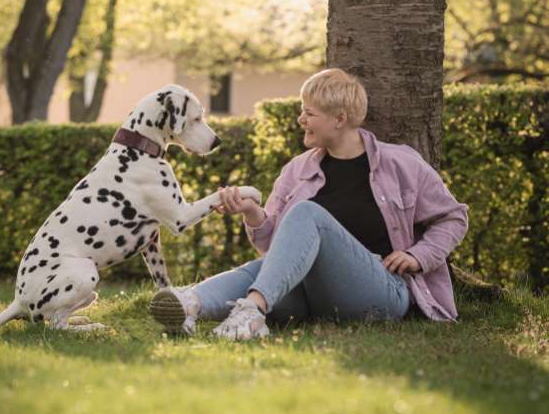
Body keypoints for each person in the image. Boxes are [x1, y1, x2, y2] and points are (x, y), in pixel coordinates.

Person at [150, 68, 468, 341]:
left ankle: (253, 311)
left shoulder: (401, 163)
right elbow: (278, 251)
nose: (301, 119)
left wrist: (418, 256)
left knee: (308, 213)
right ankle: (189, 305)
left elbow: (453, 218)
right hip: (310, 297)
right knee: (262, 269)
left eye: (310, 113)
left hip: (382, 293)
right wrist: (252, 212)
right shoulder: (297, 170)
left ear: (340, 119)